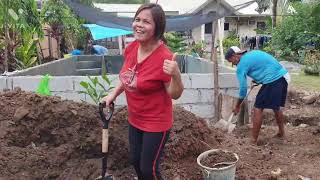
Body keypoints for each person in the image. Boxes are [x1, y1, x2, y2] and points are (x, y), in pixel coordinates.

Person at [101, 3, 184, 180]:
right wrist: (113, 94)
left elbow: (174, 93)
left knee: (149, 170)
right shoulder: (131, 48)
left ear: (157, 28)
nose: (139, 24)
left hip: (156, 123)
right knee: (136, 163)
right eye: (137, 19)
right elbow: (127, 77)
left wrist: (176, 74)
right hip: (135, 119)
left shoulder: (164, 58)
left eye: (146, 22)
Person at [225, 46, 290, 145]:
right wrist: (258, 80)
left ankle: (253, 140)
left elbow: (243, 89)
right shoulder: (251, 54)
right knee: (276, 107)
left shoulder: (241, 65)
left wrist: (237, 106)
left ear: (235, 56)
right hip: (283, 77)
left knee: (258, 108)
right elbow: (264, 66)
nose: (233, 64)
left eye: (231, 61)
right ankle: (281, 133)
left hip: (273, 79)